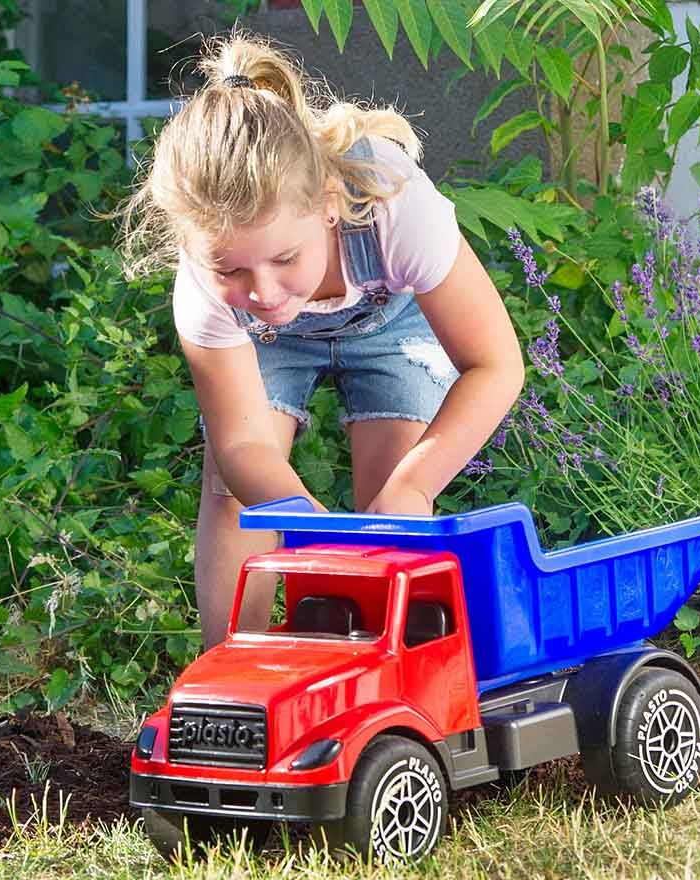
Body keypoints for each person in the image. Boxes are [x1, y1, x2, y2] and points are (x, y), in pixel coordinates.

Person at [120, 32, 524, 650]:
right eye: (232, 270)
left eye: (285, 257)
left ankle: (380, 662)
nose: (265, 291)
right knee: (238, 496)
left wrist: (414, 486)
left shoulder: (390, 201)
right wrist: (307, 527)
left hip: (391, 323)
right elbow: (243, 442)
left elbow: (495, 364)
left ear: (329, 207)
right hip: (264, 348)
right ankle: (235, 668)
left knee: (390, 501)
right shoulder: (205, 284)